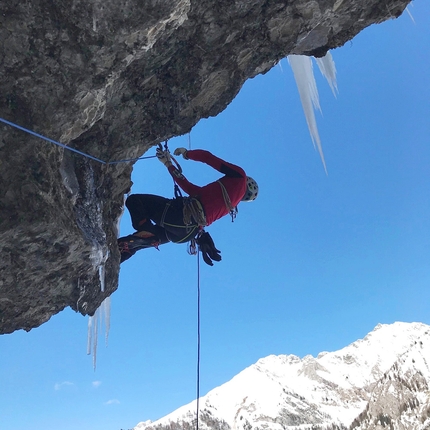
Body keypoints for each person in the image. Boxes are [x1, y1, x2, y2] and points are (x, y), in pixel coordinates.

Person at [117, 146, 258, 264]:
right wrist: (169, 165)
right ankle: (119, 254)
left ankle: (146, 231)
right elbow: (192, 191)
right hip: (187, 233)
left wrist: (187, 154)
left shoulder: (240, 176)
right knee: (144, 240)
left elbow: (208, 158)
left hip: (181, 215)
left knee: (135, 201)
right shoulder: (229, 207)